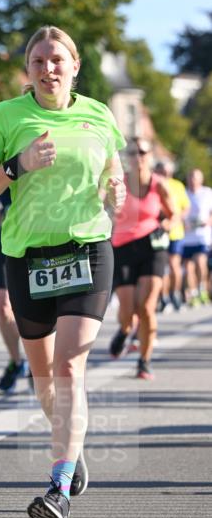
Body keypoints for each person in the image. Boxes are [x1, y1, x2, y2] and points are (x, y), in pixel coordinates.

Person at [0, 24, 126, 518]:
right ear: (28, 70)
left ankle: (58, 487)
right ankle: (72, 448)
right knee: (44, 378)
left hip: (86, 249)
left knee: (69, 365)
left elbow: (112, 171)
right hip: (28, 256)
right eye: (38, 61)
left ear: (74, 66)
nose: (48, 68)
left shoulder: (98, 114)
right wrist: (18, 166)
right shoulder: (7, 116)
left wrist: (116, 189)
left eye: (57, 59)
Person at [109, 138, 174, 379]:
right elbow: (104, 208)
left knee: (146, 307)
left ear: (150, 156)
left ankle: (144, 361)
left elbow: (174, 214)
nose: (138, 157)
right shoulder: (118, 183)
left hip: (152, 247)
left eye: (143, 152)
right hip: (123, 247)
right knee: (128, 310)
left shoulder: (159, 185)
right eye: (133, 153)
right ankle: (125, 330)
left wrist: (165, 224)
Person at [0, 191, 29, 393]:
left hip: (35, 241)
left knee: (33, 310)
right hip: (2, 242)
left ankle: (37, 363)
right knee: (3, 307)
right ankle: (17, 361)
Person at [153, 159, 189, 311]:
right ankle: (164, 297)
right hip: (158, 232)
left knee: (174, 265)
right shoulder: (153, 184)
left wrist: (175, 220)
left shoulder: (177, 185)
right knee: (162, 267)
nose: (165, 173)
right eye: (162, 170)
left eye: (167, 170)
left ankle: (175, 294)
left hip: (175, 232)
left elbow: (185, 208)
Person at [181, 168, 212, 306]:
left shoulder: (207, 193)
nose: (192, 180)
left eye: (195, 177)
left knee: (200, 262)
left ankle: (202, 288)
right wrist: (182, 223)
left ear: (201, 179)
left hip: (202, 236)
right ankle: (193, 293)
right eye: (190, 177)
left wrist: (207, 222)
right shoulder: (184, 193)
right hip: (187, 237)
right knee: (188, 268)